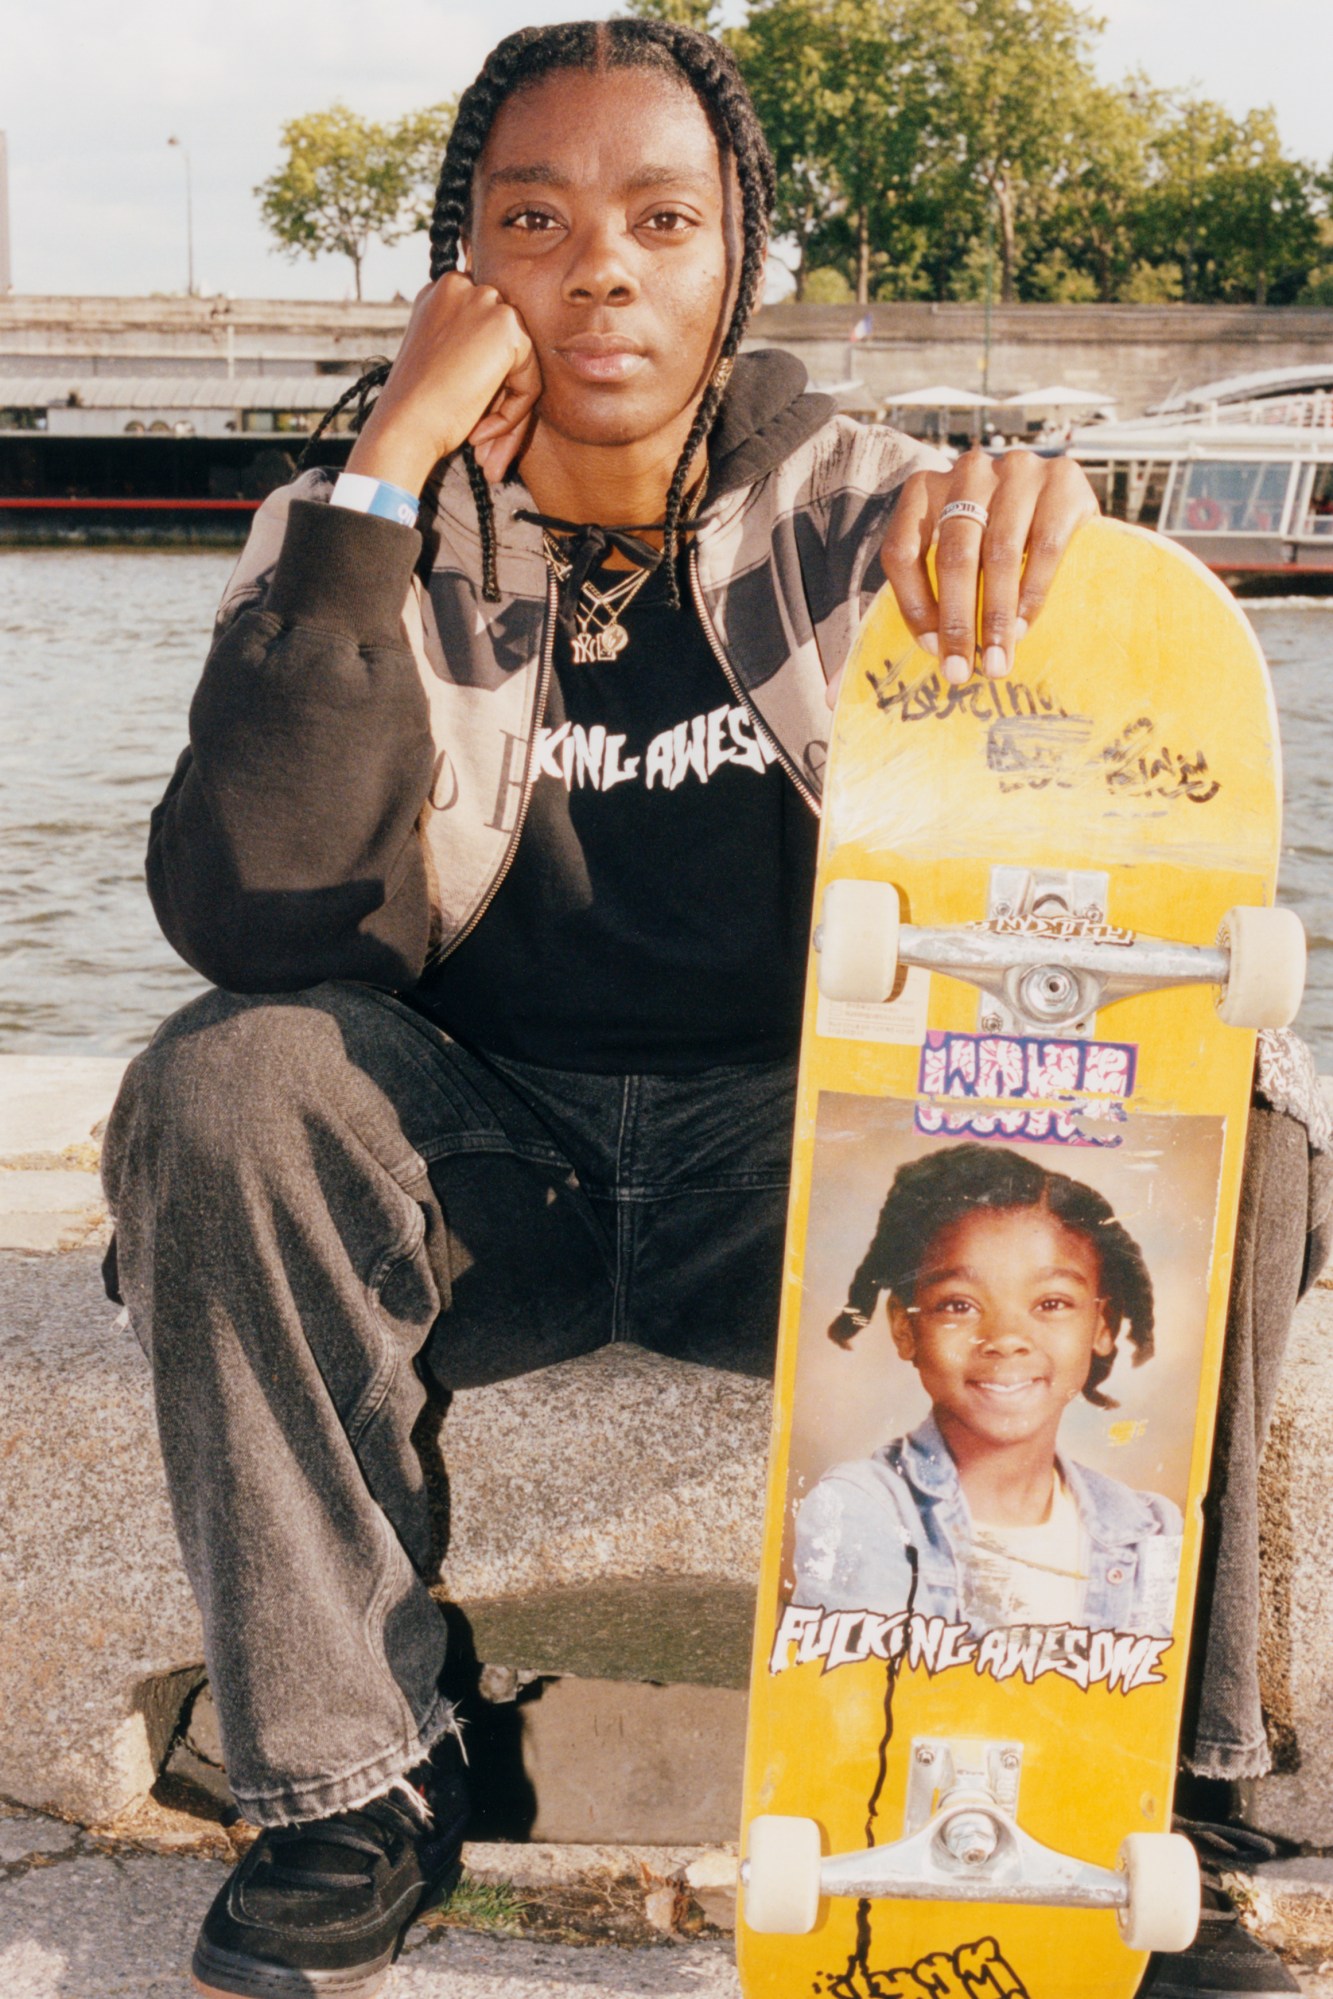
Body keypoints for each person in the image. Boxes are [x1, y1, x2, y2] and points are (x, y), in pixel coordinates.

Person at [98, 19, 1325, 1999]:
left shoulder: (887, 512)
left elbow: (1096, 892)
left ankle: (1141, 1791)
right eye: (534, 219)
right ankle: (353, 1786)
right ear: (461, 271)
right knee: (220, 1085)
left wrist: (1051, 559)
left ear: (732, 257)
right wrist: (387, 468)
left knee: (1225, 1108)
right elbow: (248, 912)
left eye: (660, 219)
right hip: (489, 1179)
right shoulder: (346, 533)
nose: (599, 271)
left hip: (816, 1195)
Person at [793, 1144, 1183, 1639]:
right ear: (905, 1329)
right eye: (959, 1305)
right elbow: (849, 1703)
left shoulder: (1150, 1530)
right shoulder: (864, 1508)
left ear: (1101, 1325)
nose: (1005, 1339)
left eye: (1052, 1302)